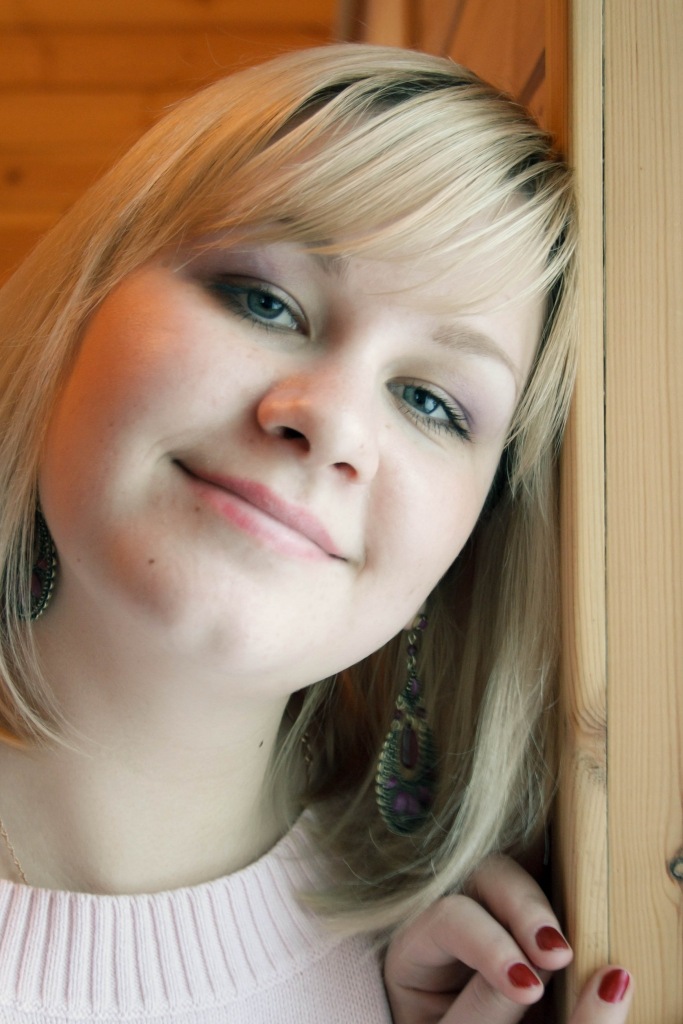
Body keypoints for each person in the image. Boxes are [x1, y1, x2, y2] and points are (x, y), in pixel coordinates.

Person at [0, 44, 633, 1023]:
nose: (331, 421)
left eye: (429, 401)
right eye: (264, 300)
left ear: (469, 549)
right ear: (76, 313)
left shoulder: (439, 984)